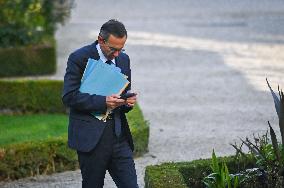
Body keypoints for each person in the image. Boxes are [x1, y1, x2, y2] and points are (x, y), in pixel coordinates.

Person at [62, 19, 138, 188]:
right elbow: (69, 96)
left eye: (121, 49)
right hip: (92, 140)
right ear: (101, 40)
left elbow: (122, 94)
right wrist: (103, 102)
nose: (117, 54)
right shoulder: (79, 58)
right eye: (113, 49)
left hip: (119, 137)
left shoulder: (124, 59)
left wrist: (127, 102)